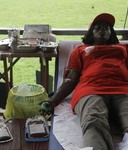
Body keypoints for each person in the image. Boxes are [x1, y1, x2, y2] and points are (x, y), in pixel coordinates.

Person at [40, 13, 128, 150]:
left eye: (106, 28)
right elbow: (71, 79)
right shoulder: (80, 50)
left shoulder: (123, 49)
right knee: (94, 119)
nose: (102, 29)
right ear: (91, 33)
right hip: (91, 91)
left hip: (124, 90)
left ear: (111, 33)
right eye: (97, 27)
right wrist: (53, 101)